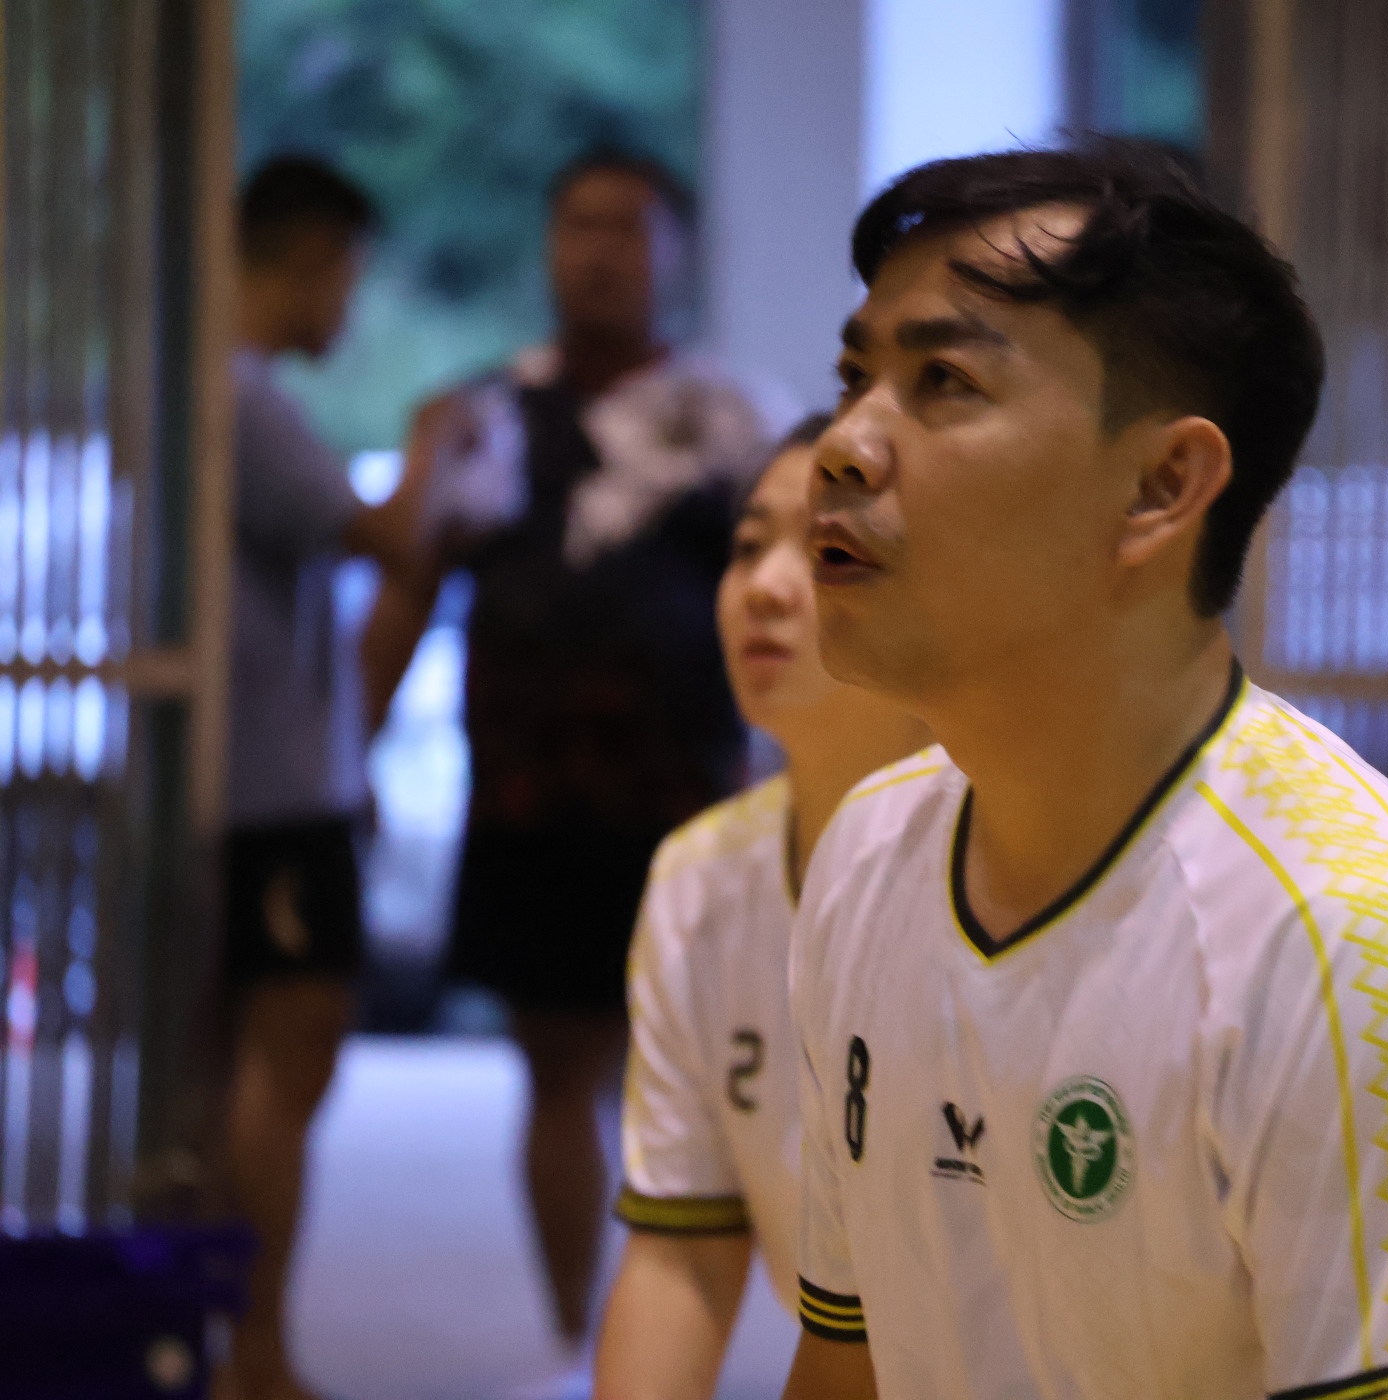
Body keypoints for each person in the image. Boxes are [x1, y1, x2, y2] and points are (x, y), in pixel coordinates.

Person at [781, 141, 1388, 1400]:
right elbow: (848, 1364)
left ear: (1162, 485)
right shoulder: (869, 854)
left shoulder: (1356, 942)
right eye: (853, 376)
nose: (842, 445)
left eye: (943, 381)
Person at [365, 146, 772, 1348]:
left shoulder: (735, 420)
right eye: (578, 225)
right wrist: (353, 752)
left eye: (628, 226)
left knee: (696, 1079)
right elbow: (408, 591)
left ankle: (686, 1342)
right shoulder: (479, 415)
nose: (599, 250)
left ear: (677, 250)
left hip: (689, 805)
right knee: (553, 1074)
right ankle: (571, 1346)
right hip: (527, 800)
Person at [591, 415, 929, 1400]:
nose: (766, 588)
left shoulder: (1014, 866)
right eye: (747, 547)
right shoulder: (698, 877)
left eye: (826, 550)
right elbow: (682, 1259)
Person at [221, 155, 435, 1400]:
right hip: (274, 799)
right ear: (310, 261)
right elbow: (396, 535)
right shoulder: (245, 401)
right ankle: (254, 1351)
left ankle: (240, 1343)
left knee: (261, 1061)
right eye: (347, 276)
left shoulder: (222, 393)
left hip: (272, 782)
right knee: (285, 1057)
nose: (348, 304)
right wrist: (439, 443)